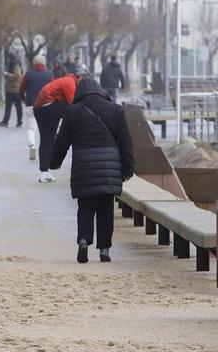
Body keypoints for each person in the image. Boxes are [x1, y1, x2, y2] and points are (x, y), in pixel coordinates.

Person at [50, 75, 135, 264]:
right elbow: (127, 143)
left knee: (85, 206)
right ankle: (104, 249)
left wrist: (54, 162)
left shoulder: (73, 112)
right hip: (109, 166)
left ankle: (83, 240)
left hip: (84, 165)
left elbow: (61, 142)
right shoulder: (115, 109)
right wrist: (128, 169)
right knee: (106, 207)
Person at [32, 68, 79, 183]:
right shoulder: (69, 82)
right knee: (75, 110)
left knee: (46, 140)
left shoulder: (65, 80)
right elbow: (74, 103)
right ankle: (69, 132)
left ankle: (44, 172)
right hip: (47, 108)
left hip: (39, 109)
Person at [18, 55, 52, 161]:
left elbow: (21, 89)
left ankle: (32, 145)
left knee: (31, 127)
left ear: (34, 63)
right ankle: (46, 148)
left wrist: (24, 99)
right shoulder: (49, 74)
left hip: (31, 103)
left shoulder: (28, 74)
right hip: (45, 104)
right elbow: (53, 88)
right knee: (45, 127)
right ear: (44, 63)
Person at [0, 60, 23, 128]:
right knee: (8, 107)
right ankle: (5, 122)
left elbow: (17, 76)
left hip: (16, 90)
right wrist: (5, 75)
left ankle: (19, 121)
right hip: (9, 90)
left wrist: (7, 74)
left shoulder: (16, 67)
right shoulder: (10, 66)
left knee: (18, 107)